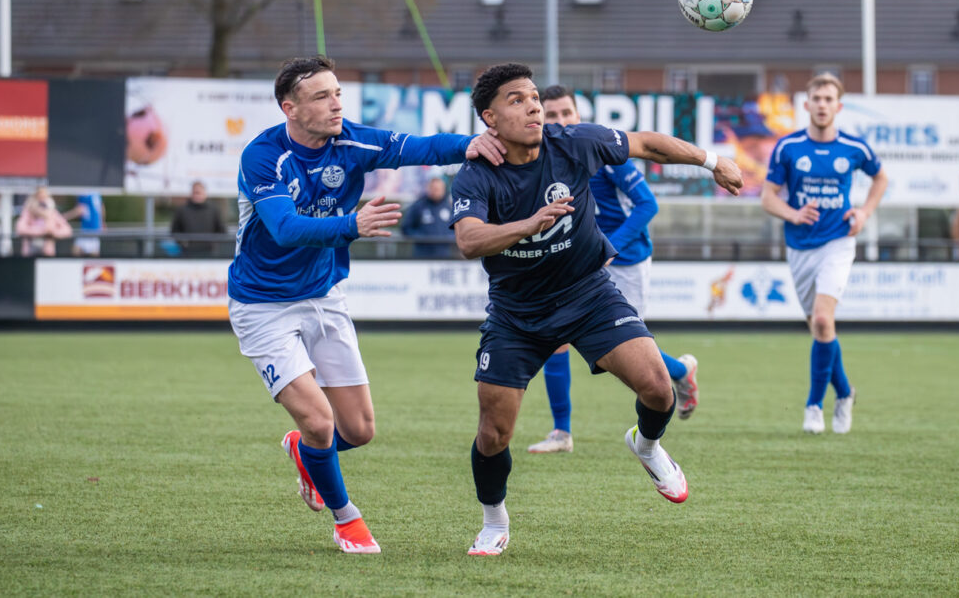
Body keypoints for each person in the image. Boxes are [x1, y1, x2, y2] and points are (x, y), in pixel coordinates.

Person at [450, 63, 742, 556]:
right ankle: (494, 520)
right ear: (490, 117)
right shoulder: (477, 174)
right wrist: (529, 224)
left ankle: (646, 446)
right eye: (517, 99)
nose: (534, 106)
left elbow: (647, 143)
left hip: (588, 295)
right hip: (516, 314)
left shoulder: (574, 142)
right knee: (494, 433)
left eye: (534, 97)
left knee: (656, 386)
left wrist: (713, 161)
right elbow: (468, 239)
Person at [227, 55, 504, 555]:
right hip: (262, 304)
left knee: (359, 430)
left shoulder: (350, 140)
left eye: (337, 93)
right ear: (289, 108)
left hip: (325, 297)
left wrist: (470, 144)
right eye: (321, 96)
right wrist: (353, 225)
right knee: (318, 421)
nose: (336, 104)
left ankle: (306, 455)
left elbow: (417, 148)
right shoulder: (263, 157)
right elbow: (286, 230)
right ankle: (346, 520)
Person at [527, 86, 700, 455]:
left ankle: (682, 374)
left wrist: (611, 247)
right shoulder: (542, 157)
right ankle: (561, 432)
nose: (558, 121)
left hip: (627, 260)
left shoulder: (604, 152)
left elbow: (646, 205)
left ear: (578, 115)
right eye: (551, 114)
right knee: (556, 338)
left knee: (628, 350)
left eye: (565, 114)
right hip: (578, 266)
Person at [761, 73, 888, 435]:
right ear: (807, 105)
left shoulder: (854, 147)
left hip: (838, 241)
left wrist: (863, 212)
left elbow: (881, 179)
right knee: (821, 329)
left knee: (821, 320)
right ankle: (845, 392)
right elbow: (768, 197)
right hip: (800, 247)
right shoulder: (788, 148)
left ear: (839, 106)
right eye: (816, 98)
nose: (822, 105)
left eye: (829, 99)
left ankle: (814, 406)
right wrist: (793, 213)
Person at [401, 171, 455, 258]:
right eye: (433, 188)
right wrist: (422, 238)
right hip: (422, 256)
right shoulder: (418, 206)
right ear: (428, 188)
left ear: (444, 189)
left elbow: (458, 229)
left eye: (438, 189)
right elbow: (406, 228)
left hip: (446, 256)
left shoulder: (450, 206)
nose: (435, 191)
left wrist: (450, 237)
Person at [171, 181, 227, 257]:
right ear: (191, 193)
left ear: (205, 193)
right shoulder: (182, 210)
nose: (197, 195)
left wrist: (213, 243)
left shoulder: (214, 210)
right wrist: (183, 243)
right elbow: (175, 231)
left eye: (199, 192)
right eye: (195, 192)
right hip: (187, 253)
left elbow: (222, 231)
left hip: (209, 253)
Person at [15, 186, 72, 256]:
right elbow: (20, 229)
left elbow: (67, 230)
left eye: (44, 196)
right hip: (30, 251)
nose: (42, 199)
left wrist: (52, 232)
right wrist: (41, 231)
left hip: (47, 252)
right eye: (39, 196)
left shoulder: (52, 212)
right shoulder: (28, 211)